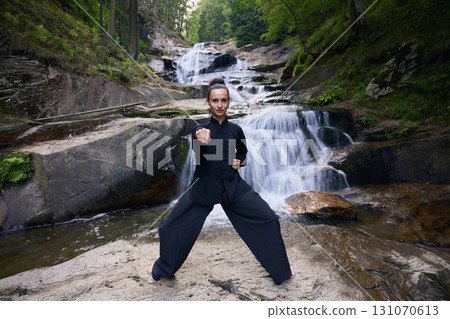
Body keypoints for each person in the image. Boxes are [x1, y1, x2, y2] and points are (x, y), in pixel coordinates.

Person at [149, 77, 294, 285]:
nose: (219, 105)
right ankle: (162, 267)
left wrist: (239, 162)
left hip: (232, 187)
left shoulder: (236, 130)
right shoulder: (200, 128)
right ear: (208, 103)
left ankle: (282, 270)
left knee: (269, 219)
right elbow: (198, 136)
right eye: (215, 100)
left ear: (228, 102)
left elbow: (243, 154)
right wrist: (200, 136)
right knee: (167, 227)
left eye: (223, 100)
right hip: (203, 188)